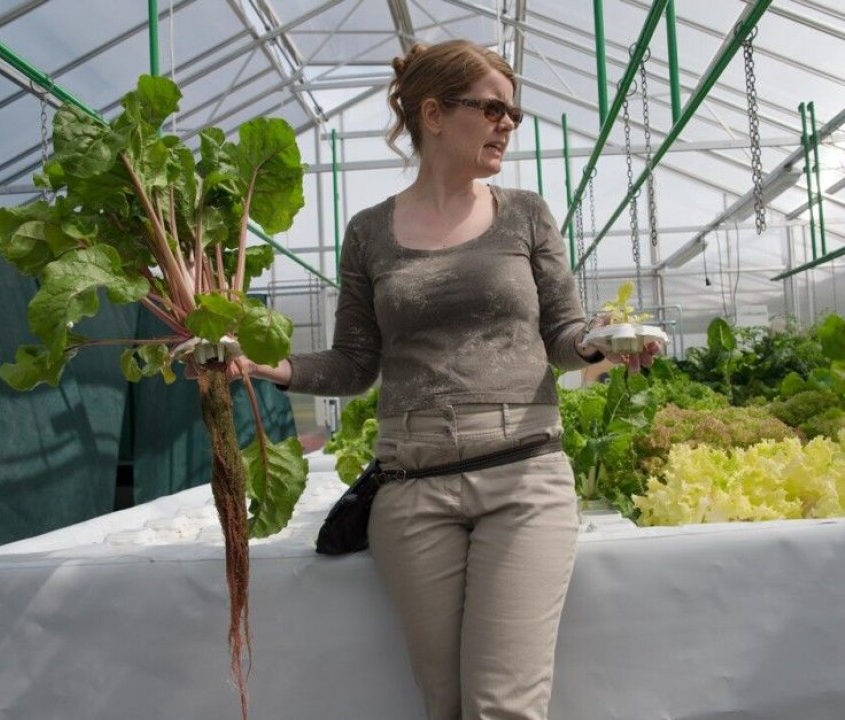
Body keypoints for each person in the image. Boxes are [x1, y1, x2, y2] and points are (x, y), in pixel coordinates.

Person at [231, 38, 654, 720]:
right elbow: (353, 363)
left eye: (512, 113)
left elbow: (561, 338)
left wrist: (599, 342)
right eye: (492, 109)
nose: (507, 124)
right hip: (412, 488)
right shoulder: (370, 233)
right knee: (446, 707)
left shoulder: (525, 214)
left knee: (501, 707)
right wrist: (268, 368)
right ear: (434, 113)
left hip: (523, 480)